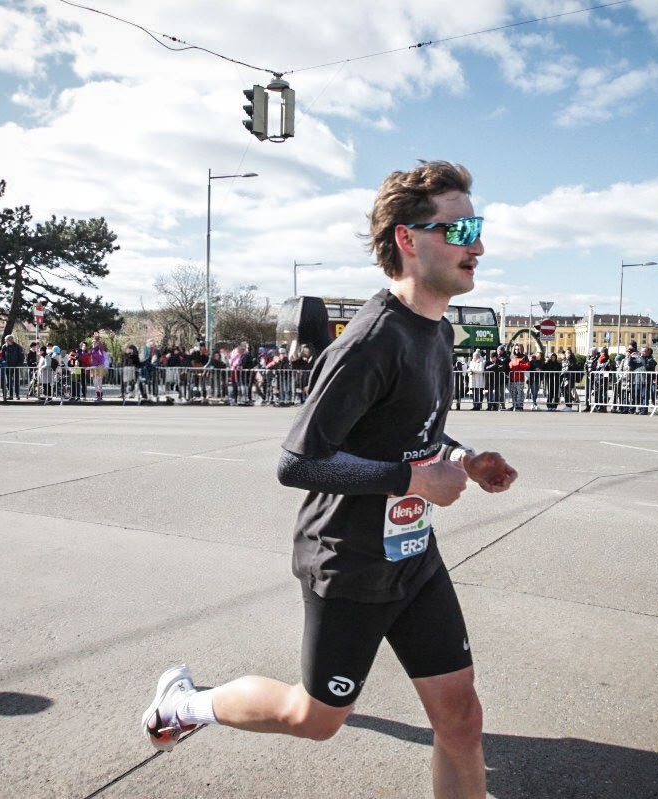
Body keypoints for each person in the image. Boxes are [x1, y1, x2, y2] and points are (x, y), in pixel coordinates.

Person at [141, 161, 518, 799]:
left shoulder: (439, 328)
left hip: (412, 553)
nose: (477, 244)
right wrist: (414, 480)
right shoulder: (369, 342)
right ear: (408, 238)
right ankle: (185, 703)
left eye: (477, 227)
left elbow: (412, 428)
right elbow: (300, 461)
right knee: (313, 719)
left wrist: (466, 455)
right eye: (461, 229)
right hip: (348, 561)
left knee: (461, 717)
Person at [2, 335, 25, 400]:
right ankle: (11, 395)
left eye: (6, 340)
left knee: (16, 381)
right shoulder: (4, 346)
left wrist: (19, 365)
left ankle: (17, 395)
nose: (5, 341)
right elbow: (2, 356)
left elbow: (22, 357)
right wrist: (4, 364)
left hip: (16, 367)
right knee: (8, 382)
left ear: (10, 340)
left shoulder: (18, 347)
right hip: (7, 367)